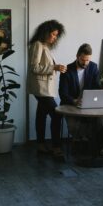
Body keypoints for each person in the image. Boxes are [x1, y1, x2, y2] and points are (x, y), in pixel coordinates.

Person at [27, 19, 67, 158]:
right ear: (45, 32)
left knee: (41, 115)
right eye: (53, 34)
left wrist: (56, 67)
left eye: (56, 35)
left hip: (44, 88)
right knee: (56, 115)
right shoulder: (37, 45)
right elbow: (34, 68)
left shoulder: (44, 46)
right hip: (41, 88)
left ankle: (40, 145)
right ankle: (56, 147)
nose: (54, 37)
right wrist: (54, 67)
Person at [59, 43, 101, 139]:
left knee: (99, 122)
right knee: (73, 126)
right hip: (70, 105)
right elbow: (62, 93)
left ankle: (83, 141)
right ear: (77, 57)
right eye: (83, 60)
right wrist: (74, 101)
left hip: (88, 105)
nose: (85, 63)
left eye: (88, 60)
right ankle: (80, 140)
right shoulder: (67, 70)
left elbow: (97, 87)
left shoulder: (93, 67)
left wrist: (91, 100)